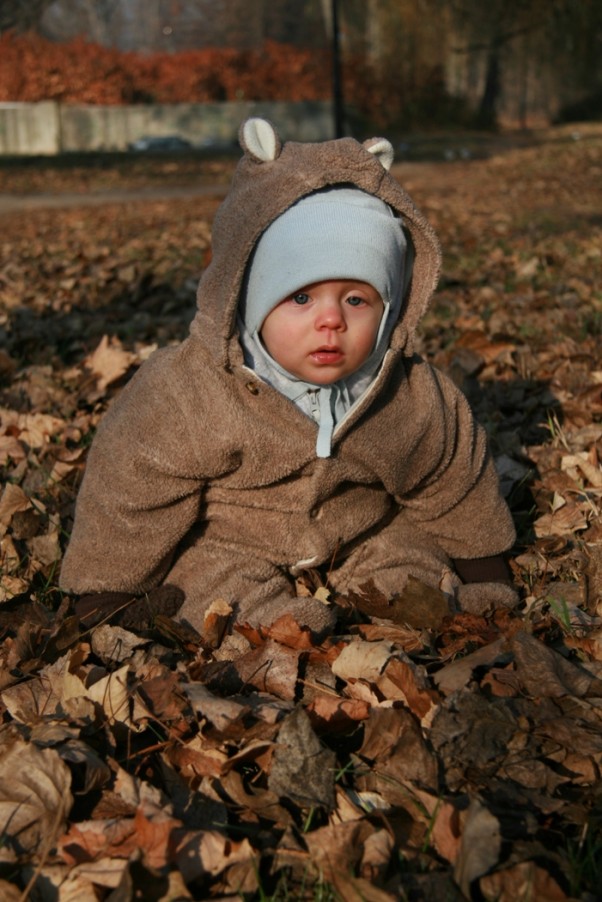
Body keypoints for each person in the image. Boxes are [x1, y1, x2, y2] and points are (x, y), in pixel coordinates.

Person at [60, 118, 517, 639]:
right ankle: (268, 625)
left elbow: (452, 480)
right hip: (231, 534)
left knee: (409, 560)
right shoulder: (190, 390)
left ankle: (399, 601)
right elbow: (131, 486)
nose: (330, 321)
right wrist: (106, 590)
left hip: (361, 524)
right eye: (301, 297)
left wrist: (485, 570)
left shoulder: (408, 394)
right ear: (252, 301)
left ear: (390, 311)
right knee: (211, 582)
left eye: (356, 299)